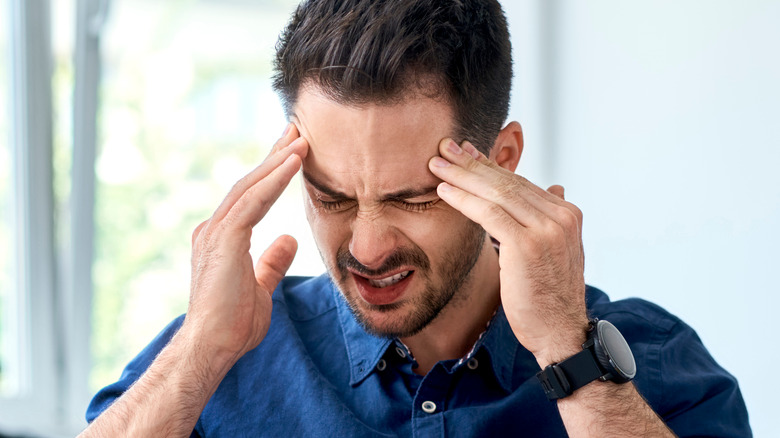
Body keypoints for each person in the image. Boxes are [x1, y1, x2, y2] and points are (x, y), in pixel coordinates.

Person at [81, 0, 751, 436]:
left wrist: (569, 353)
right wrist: (200, 355)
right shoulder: (227, 349)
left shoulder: (654, 366)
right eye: (331, 197)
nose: (367, 247)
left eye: (412, 199)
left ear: (502, 160)